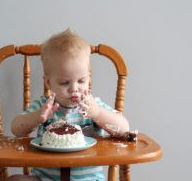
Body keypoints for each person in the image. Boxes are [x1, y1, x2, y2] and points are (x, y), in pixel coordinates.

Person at [8, 29, 130, 181]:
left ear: (88, 78)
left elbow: (124, 128)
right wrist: (37, 118)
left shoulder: (92, 106)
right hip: (45, 178)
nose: (74, 88)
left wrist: (98, 114)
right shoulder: (45, 106)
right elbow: (16, 128)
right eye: (64, 82)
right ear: (48, 82)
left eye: (81, 81)